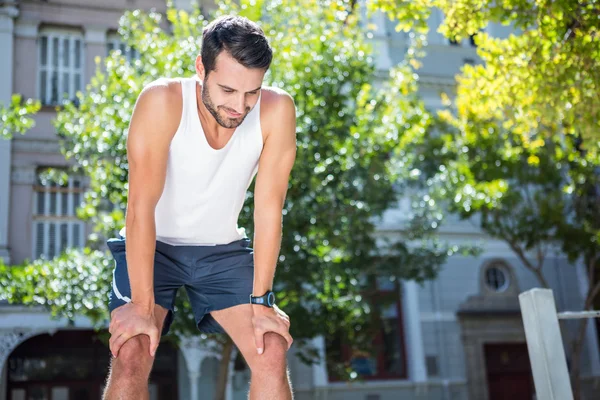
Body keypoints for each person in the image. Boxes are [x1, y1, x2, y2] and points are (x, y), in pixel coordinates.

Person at [102, 15, 296, 400]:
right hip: (152, 248)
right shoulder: (162, 102)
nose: (239, 106)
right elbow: (141, 207)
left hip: (222, 251)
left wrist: (262, 301)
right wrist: (142, 305)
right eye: (227, 89)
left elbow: (269, 209)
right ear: (200, 68)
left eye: (251, 93)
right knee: (131, 351)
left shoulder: (277, 110)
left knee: (271, 347)